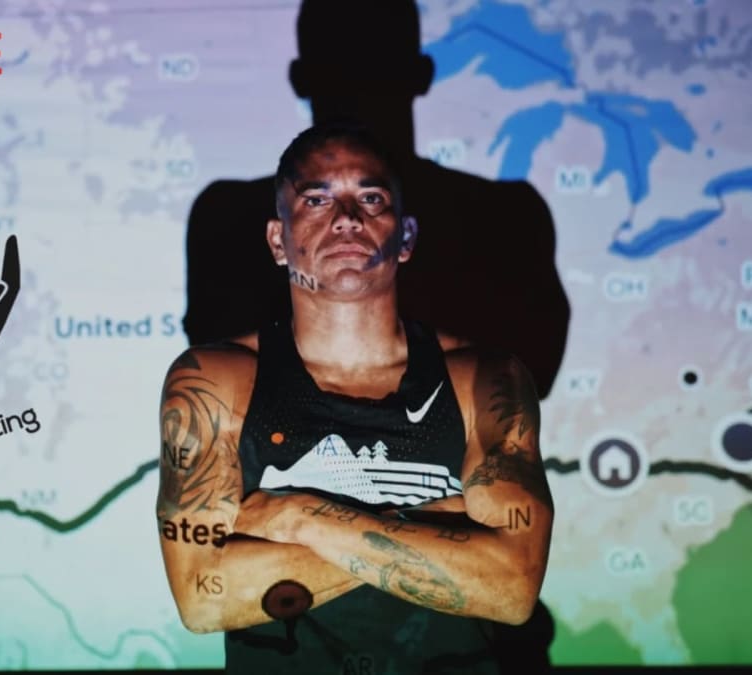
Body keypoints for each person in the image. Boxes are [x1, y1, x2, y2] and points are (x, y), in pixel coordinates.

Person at [158, 125, 554, 674]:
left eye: (370, 199)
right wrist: (444, 524)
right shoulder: (215, 382)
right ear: (278, 241)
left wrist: (298, 517)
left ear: (406, 236)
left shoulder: (484, 380)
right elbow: (204, 597)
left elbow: (511, 589)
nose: (346, 218)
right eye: (316, 200)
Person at [182, 0, 569, 400]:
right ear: (422, 75)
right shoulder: (506, 217)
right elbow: (218, 375)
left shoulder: (229, 217)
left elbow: (530, 375)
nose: (359, 86)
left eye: (372, 64)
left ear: (300, 79)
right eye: (343, 65)